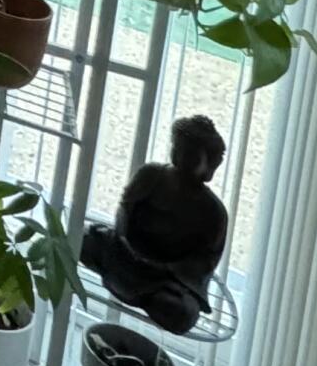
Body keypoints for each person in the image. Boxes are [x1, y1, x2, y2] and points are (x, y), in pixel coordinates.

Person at [81, 115, 229, 333]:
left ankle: (144, 294)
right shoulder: (151, 174)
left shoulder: (213, 211)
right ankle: (124, 278)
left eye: (190, 154)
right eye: (177, 147)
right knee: (80, 238)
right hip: (126, 254)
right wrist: (125, 240)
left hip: (165, 279)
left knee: (182, 312)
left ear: (209, 164)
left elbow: (204, 261)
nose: (180, 156)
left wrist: (166, 268)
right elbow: (125, 210)